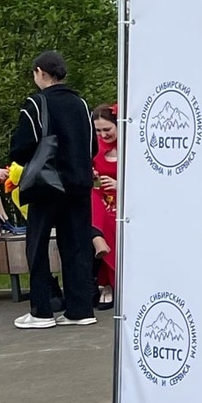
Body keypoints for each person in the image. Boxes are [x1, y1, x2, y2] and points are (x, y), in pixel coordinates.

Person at [6, 52, 98, 331]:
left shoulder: (36, 103)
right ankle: (80, 309)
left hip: (47, 185)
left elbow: (22, 147)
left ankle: (42, 311)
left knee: (38, 244)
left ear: (39, 72)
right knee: (77, 245)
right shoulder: (81, 103)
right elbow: (91, 146)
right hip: (79, 185)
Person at [91, 105, 118, 307]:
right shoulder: (94, 147)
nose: (102, 135)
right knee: (91, 197)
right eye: (98, 131)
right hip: (101, 198)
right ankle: (108, 284)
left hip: (125, 199)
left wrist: (121, 185)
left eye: (107, 129)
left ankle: (111, 283)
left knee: (111, 222)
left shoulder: (131, 147)